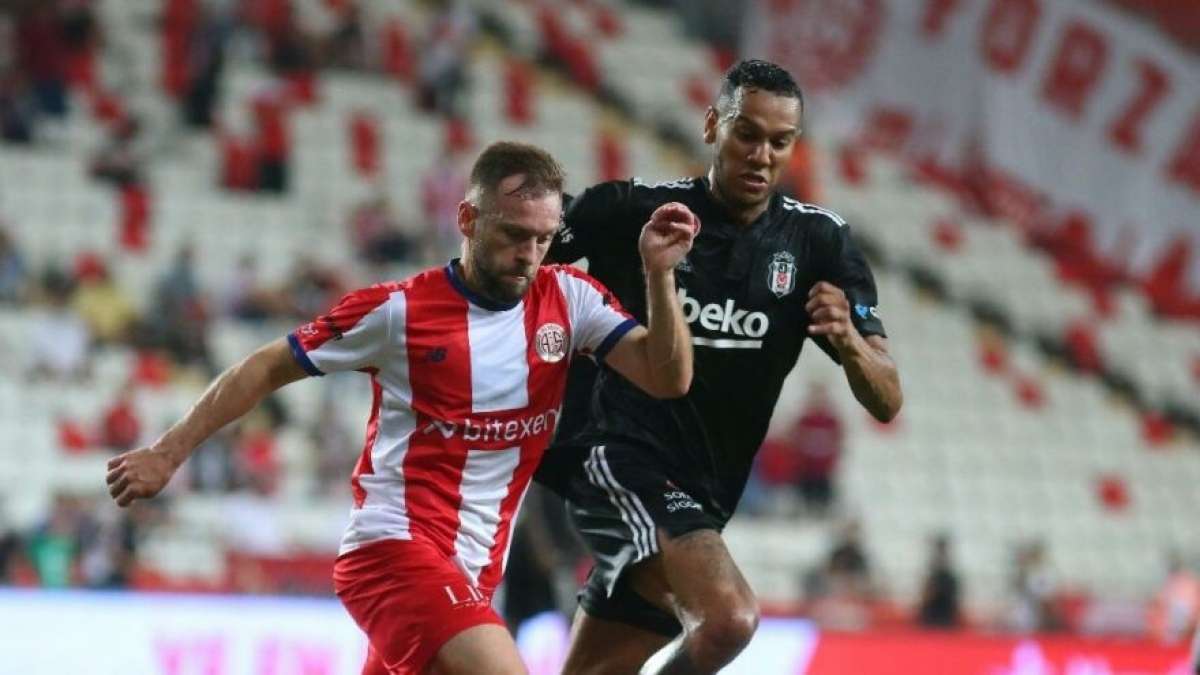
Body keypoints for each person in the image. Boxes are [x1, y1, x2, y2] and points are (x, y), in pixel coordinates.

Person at [105, 141, 697, 675]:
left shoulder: (569, 299)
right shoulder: (398, 312)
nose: (529, 254)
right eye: (515, 234)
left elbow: (667, 377)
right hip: (392, 552)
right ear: (467, 219)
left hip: (473, 574)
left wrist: (659, 275)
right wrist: (166, 453)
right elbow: (263, 367)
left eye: (543, 239)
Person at [535, 59, 903, 673]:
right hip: (614, 455)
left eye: (780, 141)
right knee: (729, 618)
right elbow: (513, 264)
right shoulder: (636, 211)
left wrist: (847, 341)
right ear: (713, 126)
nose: (761, 155)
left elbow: (887, 399)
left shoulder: (818, 243)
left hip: (704, 495)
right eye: (747, 134)